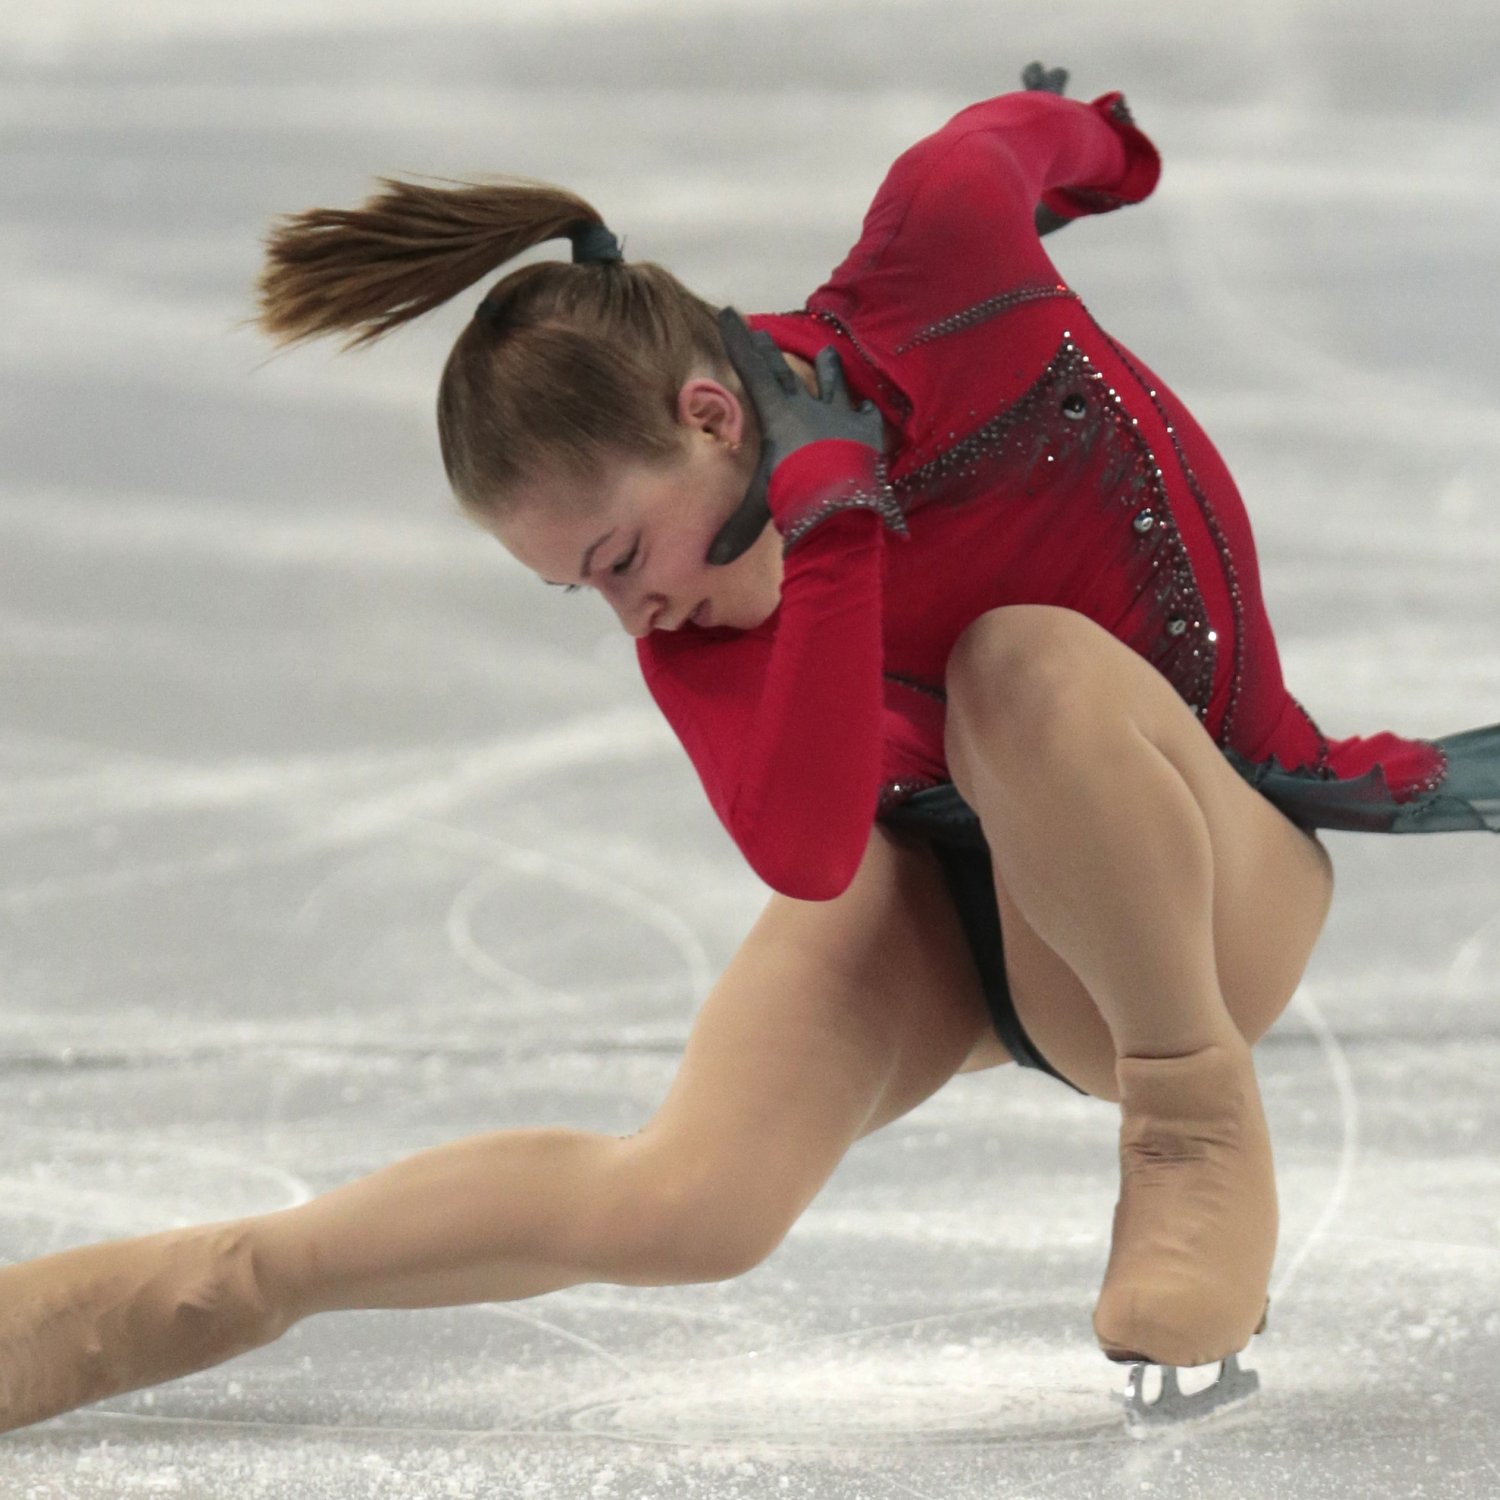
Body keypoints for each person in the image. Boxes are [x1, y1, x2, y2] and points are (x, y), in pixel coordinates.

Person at [2, 67, 1495, 1439]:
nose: (630, 607)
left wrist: (1099, 145)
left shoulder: (936, 262)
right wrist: (835, 531)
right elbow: (808, 850)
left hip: (1202, 875)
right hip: (959, 894)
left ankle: (1188, 1117)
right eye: (581, 589)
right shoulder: (696, 621)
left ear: (711, 414)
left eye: (616, 553)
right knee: (692, 1202)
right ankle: (193, 1288)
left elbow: (1002, 149)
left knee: (1014, 663)